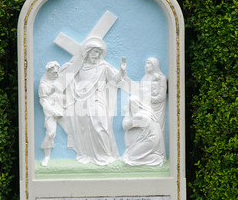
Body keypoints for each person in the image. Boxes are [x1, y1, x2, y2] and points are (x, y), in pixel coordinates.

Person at [61, 37, 126, 165]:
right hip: (81, 101)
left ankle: (106, 154)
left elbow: (115, 79)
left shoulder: (103, 67)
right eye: (95, 51)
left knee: (101, 125)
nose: (97, 55)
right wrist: (65, 69)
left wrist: (122, 70)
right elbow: (70, 80)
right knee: (85, 128)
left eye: (99, 52)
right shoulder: (80, 67)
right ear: (88, 52)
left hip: (97, 100)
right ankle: (87, 154)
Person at [121, 96, 165, 166]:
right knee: (129, 156)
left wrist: (130, 116)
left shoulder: (141, 116)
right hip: (146, 139)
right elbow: (125, 124)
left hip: (150, 139)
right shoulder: (141, 114)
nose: (129, 107)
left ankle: (156, 159)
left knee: (131, 157)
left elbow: (126, 126)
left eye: (130, 105)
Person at [139, 57, 167, 156]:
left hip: (157, 109)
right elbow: (141, 95)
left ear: (155, 65)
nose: (147, 66)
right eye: (146, 63)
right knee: (147, 130)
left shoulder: (161, 78)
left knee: (158, 129)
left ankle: (159, 153)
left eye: (149, 63)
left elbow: (162, 96)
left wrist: (149, 98)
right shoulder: (144, 79)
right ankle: (147, 153)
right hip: (146, 108)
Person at [38, 61, 63, 166]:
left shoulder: (58, 80)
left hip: (63, 107)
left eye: (57, 73)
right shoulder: (43, 85)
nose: (56, 75)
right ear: (48, 72)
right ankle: (47, 156)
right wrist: (53, 111)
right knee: (51, 133)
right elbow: (43, 101)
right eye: (54, 73)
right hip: (51, 112)